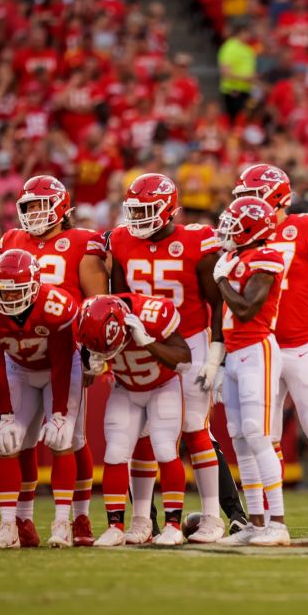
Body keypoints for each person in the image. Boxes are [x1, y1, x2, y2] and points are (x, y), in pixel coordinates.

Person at [108, 173, 237, 540]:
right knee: (145, 433)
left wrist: (217, 355)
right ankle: (140, 521)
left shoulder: (197, 240)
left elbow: (218, 302)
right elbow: (120, 302)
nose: (139, 218)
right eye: (135, 210)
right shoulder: (120, 240)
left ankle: (212, 516)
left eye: (147, 209)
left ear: (168, 209)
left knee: (196, 427)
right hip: (145, 341)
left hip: (192, 340)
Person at [232, 164, 308, 544]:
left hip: (303, 344)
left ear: (277, 196)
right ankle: (267, 522)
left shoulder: (306, 229)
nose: (247, 203)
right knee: (262, 438)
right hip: (259, 346)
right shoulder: (241, 235)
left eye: (253, 195)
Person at [0, 175, 109, 546]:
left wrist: (94, 352)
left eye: (40, 205)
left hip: (67, 348)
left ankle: (78, 518)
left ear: (62, 208)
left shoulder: (82, 241)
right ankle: (21, 521)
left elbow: (98, 302)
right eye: (28, 206)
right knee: (20, 441)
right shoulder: (12, 240)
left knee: (71, 439)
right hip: (22, 349)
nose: (33, 214)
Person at [0, 249, 83, 549]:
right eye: (4, 292)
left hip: (59, 368)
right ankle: (9, 525)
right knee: (7, 440)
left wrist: (60, 413)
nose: (10, 300)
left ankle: (62, 522)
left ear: (35, 286)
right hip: (17, 368)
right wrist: (6, 416)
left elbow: (63, 360)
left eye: (18, 292)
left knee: (62, 438)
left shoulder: (56, 305)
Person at [76, 294, 194, 547]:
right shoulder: (89, 317)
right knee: (115, 451)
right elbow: (87, 359)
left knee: (164, 448)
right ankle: (115, 526)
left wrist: (149, 343)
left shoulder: (152, 314)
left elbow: (184, 360)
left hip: (162, 385)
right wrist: (90, 365)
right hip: (126, 387)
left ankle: (173, 525)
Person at [212, 196, 291, 547]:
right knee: (240, 440)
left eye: (234, 223)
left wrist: (222, 282)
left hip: (257, 349)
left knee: (257, 436)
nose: (227, 229)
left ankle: (278, 522)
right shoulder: (232, 258)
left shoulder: (267, 256)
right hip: (233, 354)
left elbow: (246, 308)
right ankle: (255, 523)